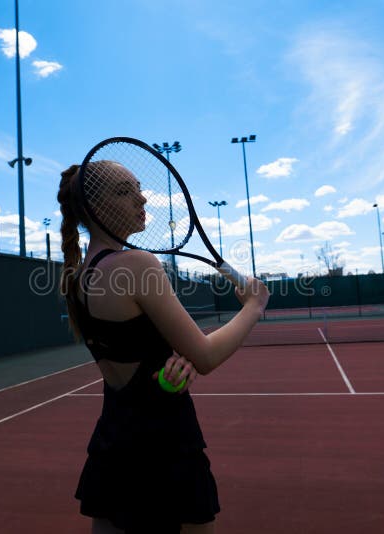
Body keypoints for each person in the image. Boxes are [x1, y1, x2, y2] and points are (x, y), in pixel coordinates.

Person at [57, 162, 269, 533]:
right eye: (124, 191)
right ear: (94, 207)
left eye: (138, 187)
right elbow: (206, 356)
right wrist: (253, 307)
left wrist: (175, 362)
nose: (141, 197)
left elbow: (132, 352)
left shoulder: (79, 276)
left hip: (113, 444)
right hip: (165, 445)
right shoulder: (137, 265)